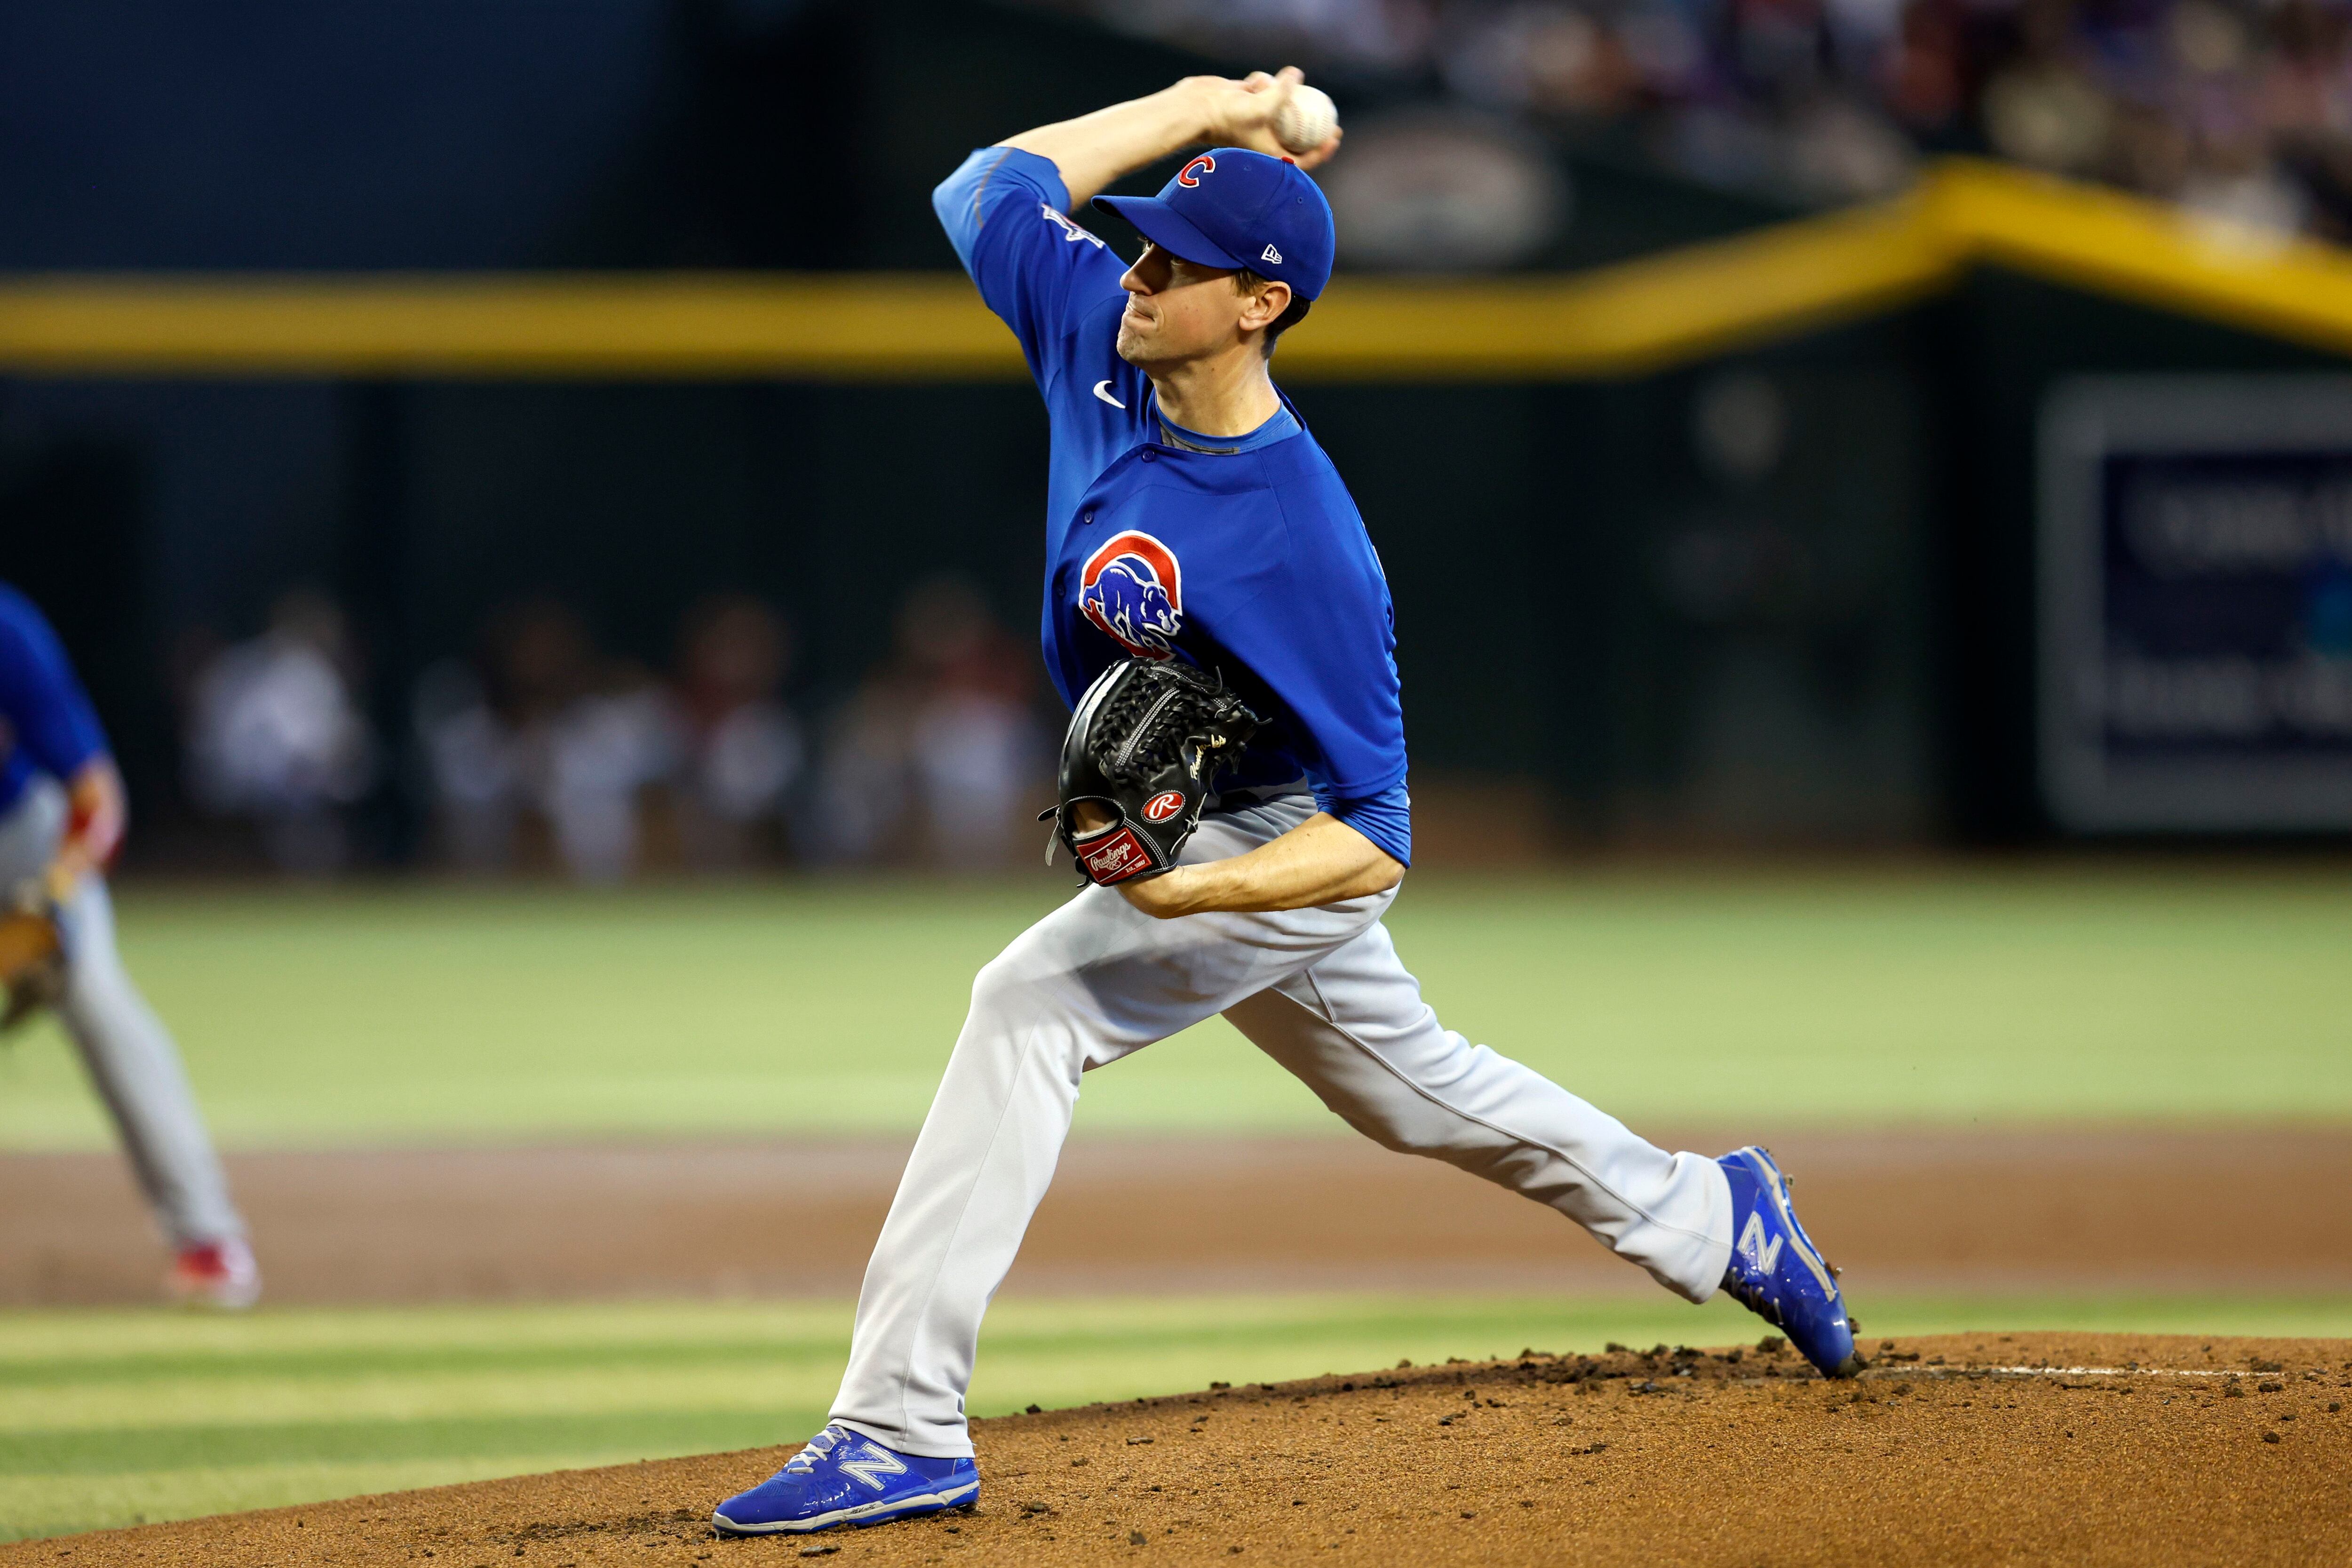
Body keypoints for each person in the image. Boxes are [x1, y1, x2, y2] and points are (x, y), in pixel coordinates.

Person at [710, 68, 1858, 1538]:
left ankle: (899, 1424)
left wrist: (1187, 895)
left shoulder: (1303, 539)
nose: (1136, 275)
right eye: (1138, 248)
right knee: (1415, 1086)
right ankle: (1714, 1210)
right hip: (1206, 828)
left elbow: (1375, 844)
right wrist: (1196, 107)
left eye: (1175, 264)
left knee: (1028, 1006)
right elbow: (984, 183)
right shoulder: (1096, 334)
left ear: (1260, 304)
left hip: (1273, 837)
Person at [0, 583, 258, 1307]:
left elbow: (98, 800)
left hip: (24, 840)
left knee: (99, 1006)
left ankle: (208, 1238)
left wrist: (56, 892)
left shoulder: (8, 631)